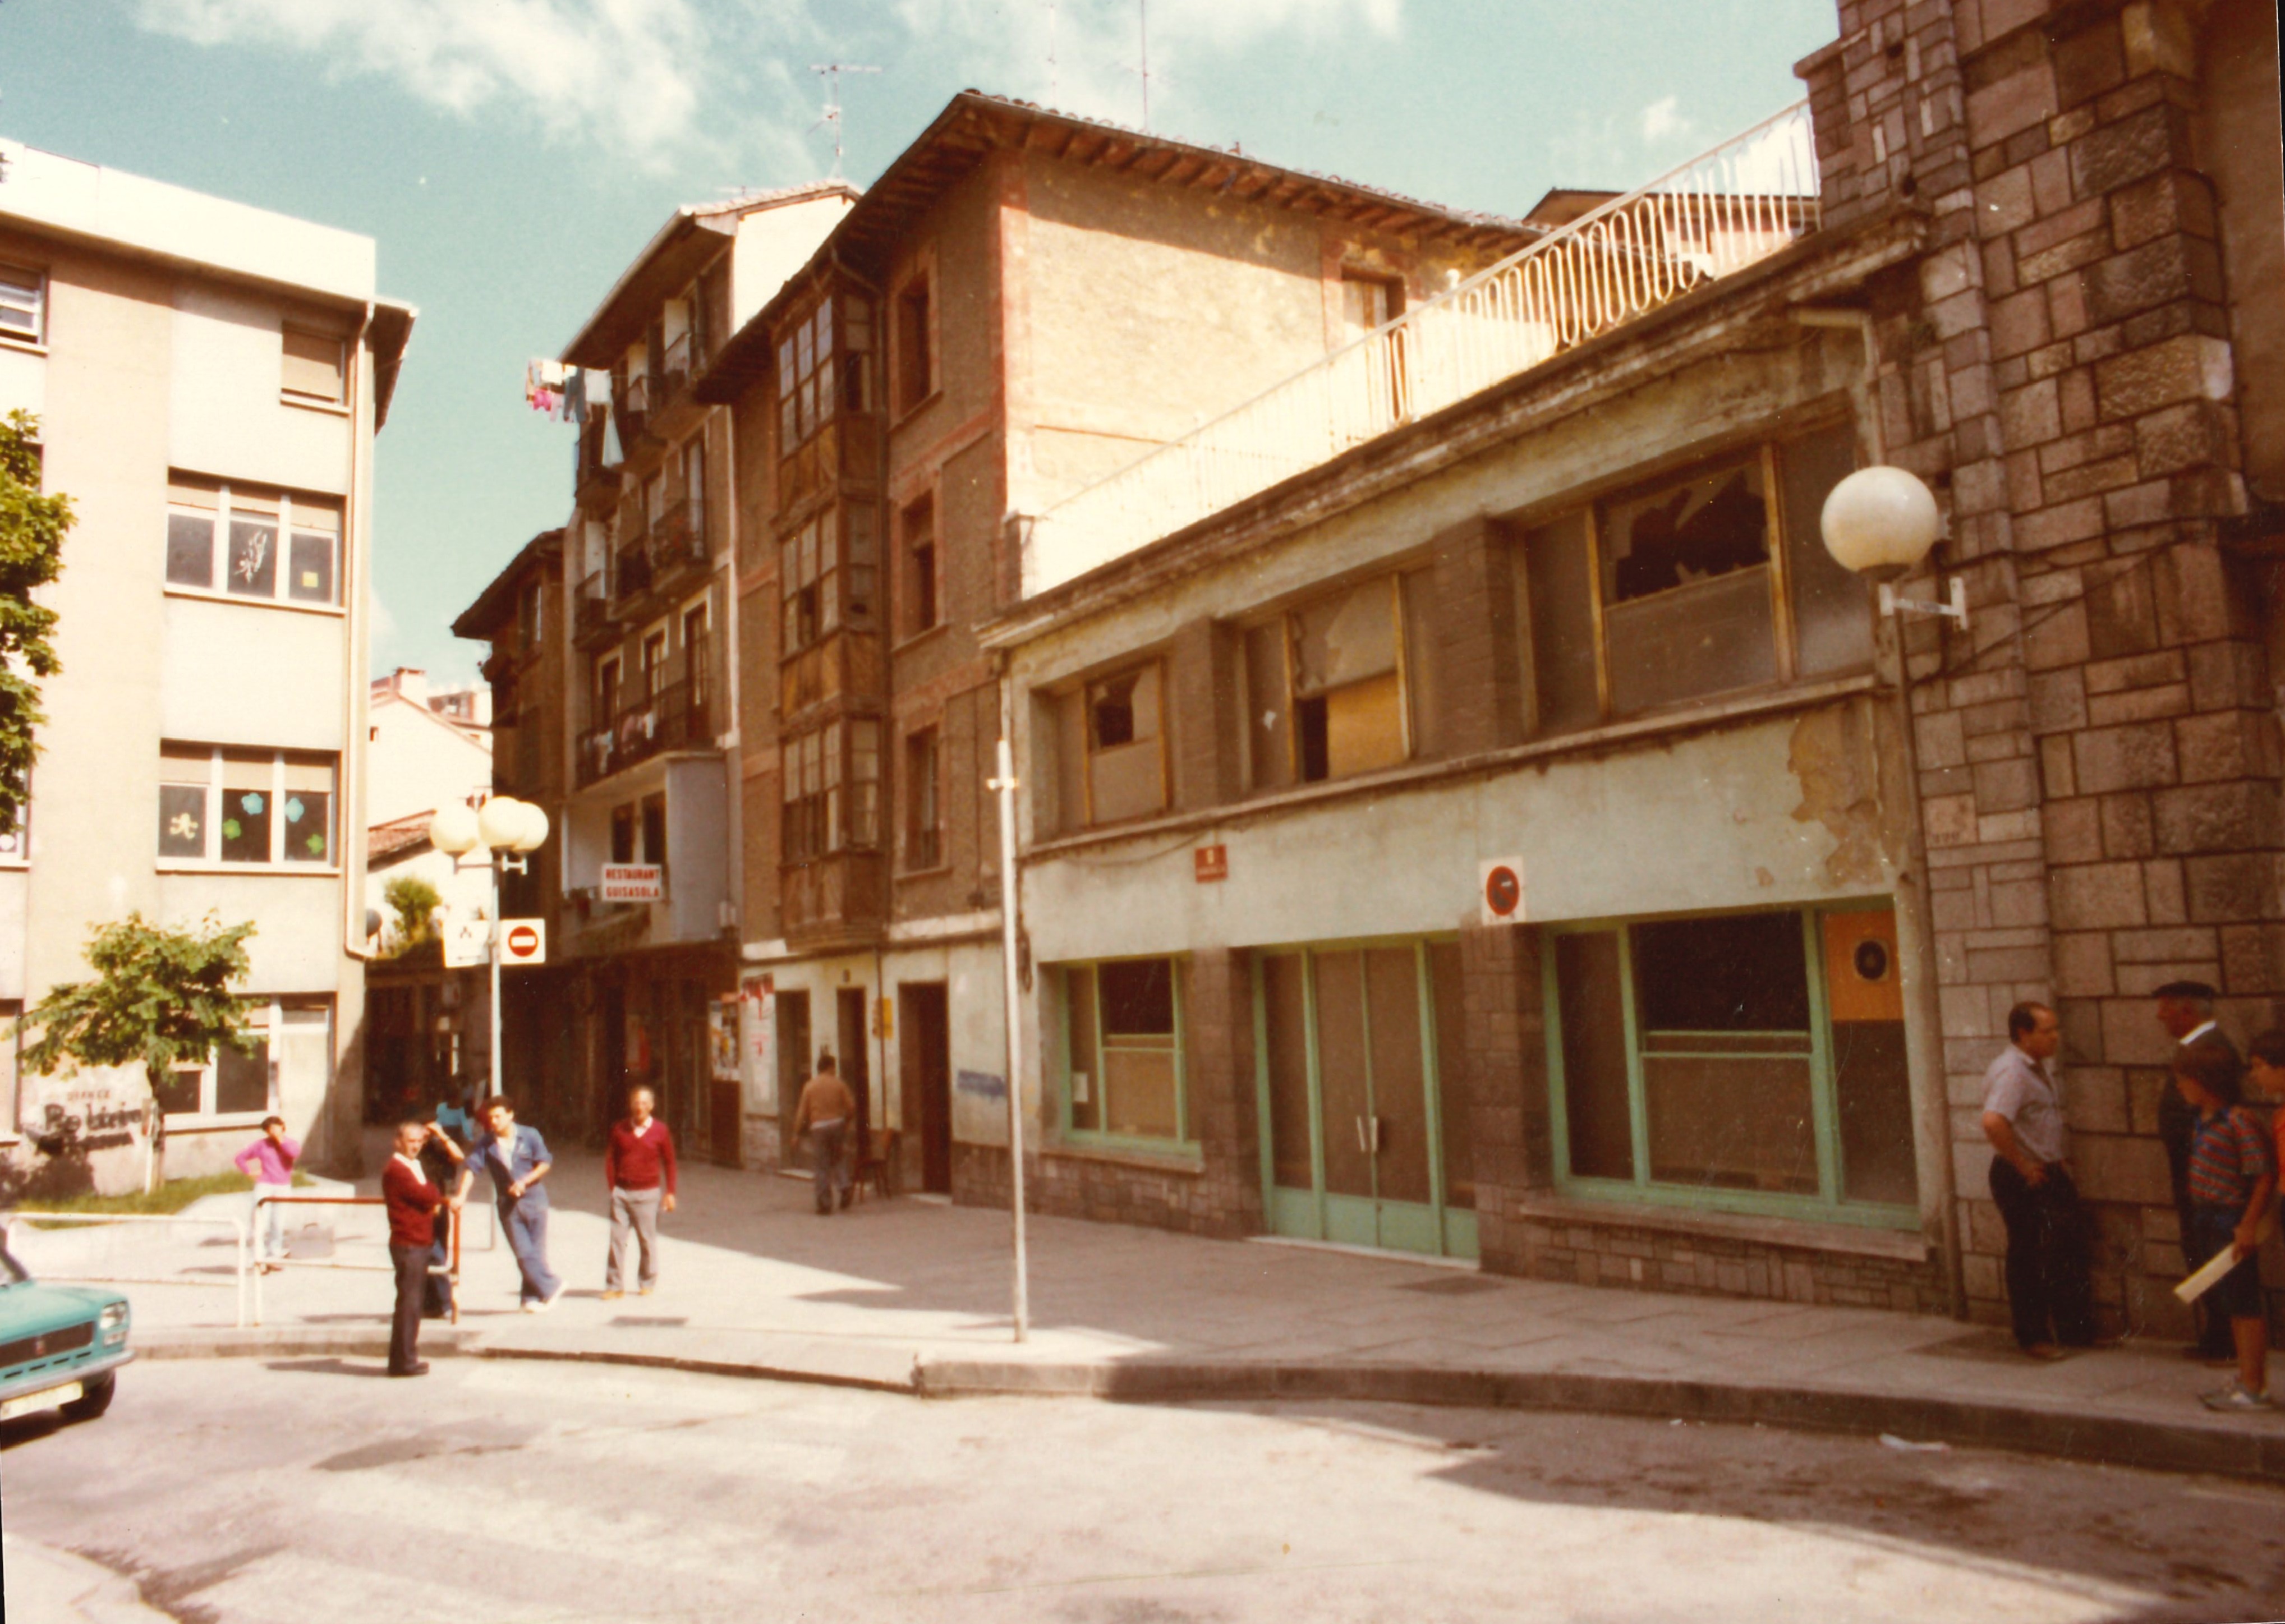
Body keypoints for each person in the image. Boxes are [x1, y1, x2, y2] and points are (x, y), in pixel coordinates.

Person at [1981, 1002, 2103, 1359]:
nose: (2055, 1037)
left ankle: (2076, 1332)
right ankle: (2033, 1337)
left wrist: (2051, 1156)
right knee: (2029, 1254)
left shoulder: (2035, 1068)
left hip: (2047, 1168)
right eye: (2047, 1031)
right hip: (2022, 1174)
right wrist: (2022, 1164)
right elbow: (1993, 1122)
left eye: (2055, 1029)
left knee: (2068, 1245)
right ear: (2023, 1034)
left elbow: (2031, 1122)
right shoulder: (2013, 1072)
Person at [2172, 1043, 2275, 1411]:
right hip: (2206, 1215)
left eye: (2183, 1080)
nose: (2180, 1087)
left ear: (2205, 1081)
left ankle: (2254, 1385)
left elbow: (2261, 1174)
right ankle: (2246, 1376)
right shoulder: (2202, 1118)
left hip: (2228, 1217)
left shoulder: (2237, 1120)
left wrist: (2246, 1225)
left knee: (2243, 1301)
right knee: (2231, 1301)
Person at [2157, 979, 2242, 1363]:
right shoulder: (2195, 1046)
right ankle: (2216, 1334)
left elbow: (2211, 1115)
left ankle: (2224, 1338)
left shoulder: (2210, 1049)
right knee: (2197, 1250)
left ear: (2185, 1010)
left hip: (2205, 1175)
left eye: (2164, 1009)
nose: (2160, 1017)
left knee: (2209, 1252)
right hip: (2191, 1173)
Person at [459, 1096, 563, 1312]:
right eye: (491, 1118)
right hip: (508, 1206)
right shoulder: (487, 1143)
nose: (494, 1122)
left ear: (510, 1115)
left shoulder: (529, 1135)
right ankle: (552, 1286)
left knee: (535, 1253)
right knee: (523, 1254)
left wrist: (525, 1181)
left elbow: (544, 1163)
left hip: (534, 1201)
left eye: (498, 1117)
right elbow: (472, 1168)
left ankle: (530, 1298)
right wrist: (461, 1196)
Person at [381, 1119, 463, 1377]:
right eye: (410, 1141)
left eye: (419, 1141)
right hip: (409, 1243)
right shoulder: (398, 1169)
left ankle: (406, 1358)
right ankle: (403, 1361)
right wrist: (433, 1198)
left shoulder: (412, 1165)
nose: (415, 1146)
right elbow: (429, 1195)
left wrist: (431, 1196)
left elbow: (429, 1192)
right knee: (409, 1304)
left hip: (417, 1242)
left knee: (412, 1304)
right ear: (398, 1142)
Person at [603, 1085, 677, 1300]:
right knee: (617, 1239)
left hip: (648, 1194)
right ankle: (614, 1285)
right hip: (622, 1194)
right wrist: (613, 1188)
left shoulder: (660, 1131)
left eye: (645, 1103)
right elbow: (611, 1160)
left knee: (647, 1240)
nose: (640, 1107)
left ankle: (647, 1281)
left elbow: (670, 1162)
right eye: (637, 1102)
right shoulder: (620, 1130)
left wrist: (670, 1191)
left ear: (651, 1106)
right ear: (631, 1104)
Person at [792, 1050, 856, 1216]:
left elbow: (802, 1112)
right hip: (837, 1124)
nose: (835, 1070)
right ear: (829, 1067)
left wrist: (796, 1133)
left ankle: (824, 1204)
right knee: (839, 1158)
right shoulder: (839, 1084)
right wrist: (846, 1122)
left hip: (819, 1127)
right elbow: (851, 1107)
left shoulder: (810, 1086)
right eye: (834, 1067)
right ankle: (844, 1186)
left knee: (822, 1166)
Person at [233, 1116, 299, 1272]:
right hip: (265, 1186)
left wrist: (280, 1140)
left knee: (278, 1223)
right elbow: (240, 1158)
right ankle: (258, 1259)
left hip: (283, 1186)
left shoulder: (291, 1143)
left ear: (283, 1127)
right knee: (259, 1223)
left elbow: (292, 1154)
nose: (273, 1131)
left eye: (275, 1127)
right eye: (269, 1129)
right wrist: (249, 1172)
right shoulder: (262, 1145)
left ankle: (274, 1257)